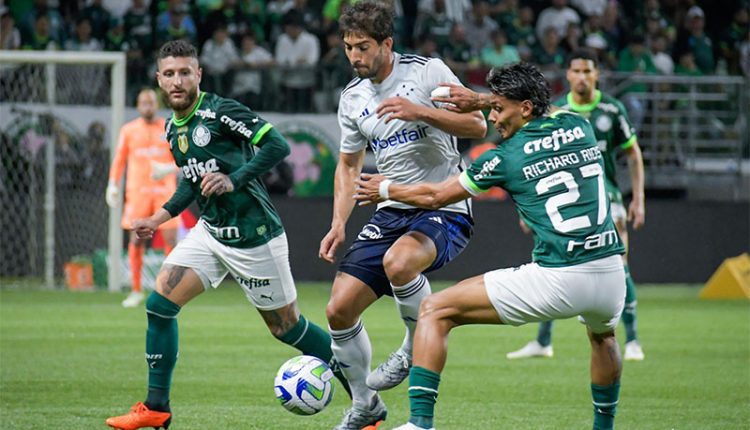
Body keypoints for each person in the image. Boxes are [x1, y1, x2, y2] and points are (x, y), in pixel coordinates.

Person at [355, 62, 627, 430]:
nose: (493, 118)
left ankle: (419, 423)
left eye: (499, 109)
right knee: (603, 336)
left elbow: (436, 196)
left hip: (560, 276)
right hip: (611, 273)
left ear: (526, 108)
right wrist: (483, 101)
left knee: (435, 311)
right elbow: (544, 107)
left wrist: (385, 189)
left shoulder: (504, 158)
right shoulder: (578, 125)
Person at [105, 39, 349, 430]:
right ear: (159, 80)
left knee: (288, 328)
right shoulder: (172, 127)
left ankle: (366, 404)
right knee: (159, 305)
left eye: (185, 72)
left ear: (199, 74)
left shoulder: (220, 112)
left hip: (254, 236)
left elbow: (276, 145)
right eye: (169, 74)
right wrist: (158, 217)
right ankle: (156, 408)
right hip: (211, 233)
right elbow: (191, 181)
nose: (177, 80)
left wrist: (233, 179)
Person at [318, 2, 487, 429]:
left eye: (363, 47)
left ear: (386, 44)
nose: (354, 56)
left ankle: (414, 344)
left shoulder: (427, 72)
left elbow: (480, 126)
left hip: (444, 203)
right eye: (348, 47)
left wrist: (422, 112)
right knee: (338, 310)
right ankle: (366, 405)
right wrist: (338, 222)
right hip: (392, 207)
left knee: (400, 263)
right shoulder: (352, 99)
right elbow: (350, 166)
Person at [507, 49, 646, 362]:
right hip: (561, 205)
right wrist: (527, 209)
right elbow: (535, 163)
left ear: (597, 75)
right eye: (577, 71)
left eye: (588, 71)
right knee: (554, 263)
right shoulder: (560, 112)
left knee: (619, 265)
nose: (582, 77)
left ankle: (633, 339)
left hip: (607, 199)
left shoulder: (612, 108)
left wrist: (638, 198)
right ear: (567, 75)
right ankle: (543, 341)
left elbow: (633, 154)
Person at [107, 88, 179, 308]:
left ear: (157, 105)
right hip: (137, 192)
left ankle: (168, 290)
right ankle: (136, 289)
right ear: (138, 106)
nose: (148, 106)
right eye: (144, 102)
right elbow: (119, 159)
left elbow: (183, 159)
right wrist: (112, 184)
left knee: (170, 241)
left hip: (165, 193)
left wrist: (168, 169)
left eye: (151, 102)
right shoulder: (129, 130)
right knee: (137, 239)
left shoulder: (169, 128)